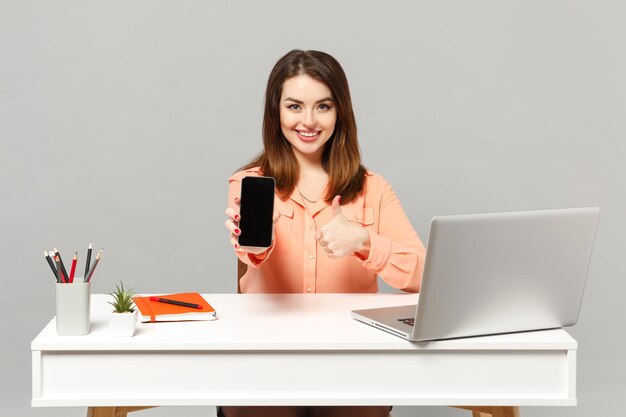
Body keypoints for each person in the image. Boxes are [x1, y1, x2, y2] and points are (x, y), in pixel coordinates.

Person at [222, 49, 426, 417]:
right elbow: (249, 254)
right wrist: (257, 243)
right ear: (276, 112)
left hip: (353, 358)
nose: (309, 121)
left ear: (340, 112)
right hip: (266, 355)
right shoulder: (250, 184)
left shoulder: (372, 188)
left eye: (323, 106)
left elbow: (426, 276)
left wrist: (366, 242)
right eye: (295, 106)